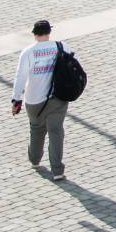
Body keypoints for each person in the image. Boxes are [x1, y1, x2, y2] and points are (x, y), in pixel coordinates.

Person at [10, 19, 69, 181]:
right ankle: (57, 170)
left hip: (34, 99)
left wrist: (16, 99)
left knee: (36, 129)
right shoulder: (61, 46)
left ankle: (35, 160)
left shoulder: (28, 52)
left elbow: (20, 77)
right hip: (58, 97)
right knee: (56, 131)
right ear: (49, 32)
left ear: (35, 35)